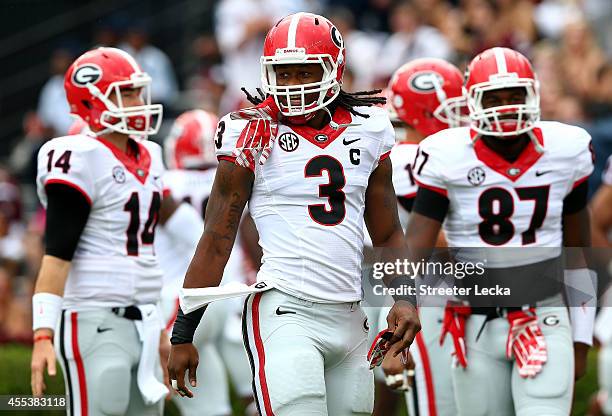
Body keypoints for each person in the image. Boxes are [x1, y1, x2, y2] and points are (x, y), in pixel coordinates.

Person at [168, 12, 420, 415]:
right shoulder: (250, 133)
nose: (292, 85)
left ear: (334, 69)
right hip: (286, 309)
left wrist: (406, 298)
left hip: (351, 316)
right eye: (282, 73)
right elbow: (217, 236)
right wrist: (184, 331)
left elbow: (388, 232)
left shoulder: (369, 127)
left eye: (304, 71)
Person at [405, 47, 594, 415]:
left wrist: (581, 338)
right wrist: (400, 310)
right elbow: (416, 249)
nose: (506, 107)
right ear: (473, 101)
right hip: (473, 323)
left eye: (515, 96)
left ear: (533, 94)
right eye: (494, 97)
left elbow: (579, 254)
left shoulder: (566, 149)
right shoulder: (446, 154)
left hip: (543, 315)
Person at [30, 47, 177, 416]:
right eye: (125, 93)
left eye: (137, 91)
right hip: (93, 315)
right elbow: (57, 254)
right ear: (91, 99)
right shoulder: (77, 155)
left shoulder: (152, 156)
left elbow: (145, 254)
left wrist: (159, 327)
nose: (138, 101)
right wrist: (43, 333)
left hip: (144, 317)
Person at [378, 57, 465, 416]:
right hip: (423, 297)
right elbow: (437, 239)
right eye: (455, 107)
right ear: (428, 110)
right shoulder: (409, 158)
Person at [158, 109, 254, 415]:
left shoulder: (163, 180)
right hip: (225, 297)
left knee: (131, 398)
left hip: (178, 301)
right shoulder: (233, 176)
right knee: (228, 401)